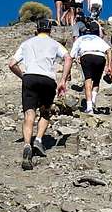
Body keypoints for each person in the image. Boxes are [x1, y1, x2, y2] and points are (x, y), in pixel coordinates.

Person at [7, 19, 72, 170]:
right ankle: (39, 140)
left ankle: (27, 144)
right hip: (48, 80)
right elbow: (68, 58)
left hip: (30, 78)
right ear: (50, 30)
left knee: (29, 114)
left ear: (36, 29)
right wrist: (63, 80)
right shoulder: (55, 44)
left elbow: (11, 64)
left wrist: (23, 76)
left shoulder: (27, 43)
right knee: (45, 112)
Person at [65, 20, 112, 114]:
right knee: (97, 81)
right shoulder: (99, 39)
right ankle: (93, 100)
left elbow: (71, 56)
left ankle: (89, 107)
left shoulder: (81, 38)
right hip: (100, 56)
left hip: (86, 56)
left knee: (88, 80)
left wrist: (68, 71)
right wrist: (109, 65)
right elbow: (109, 50)